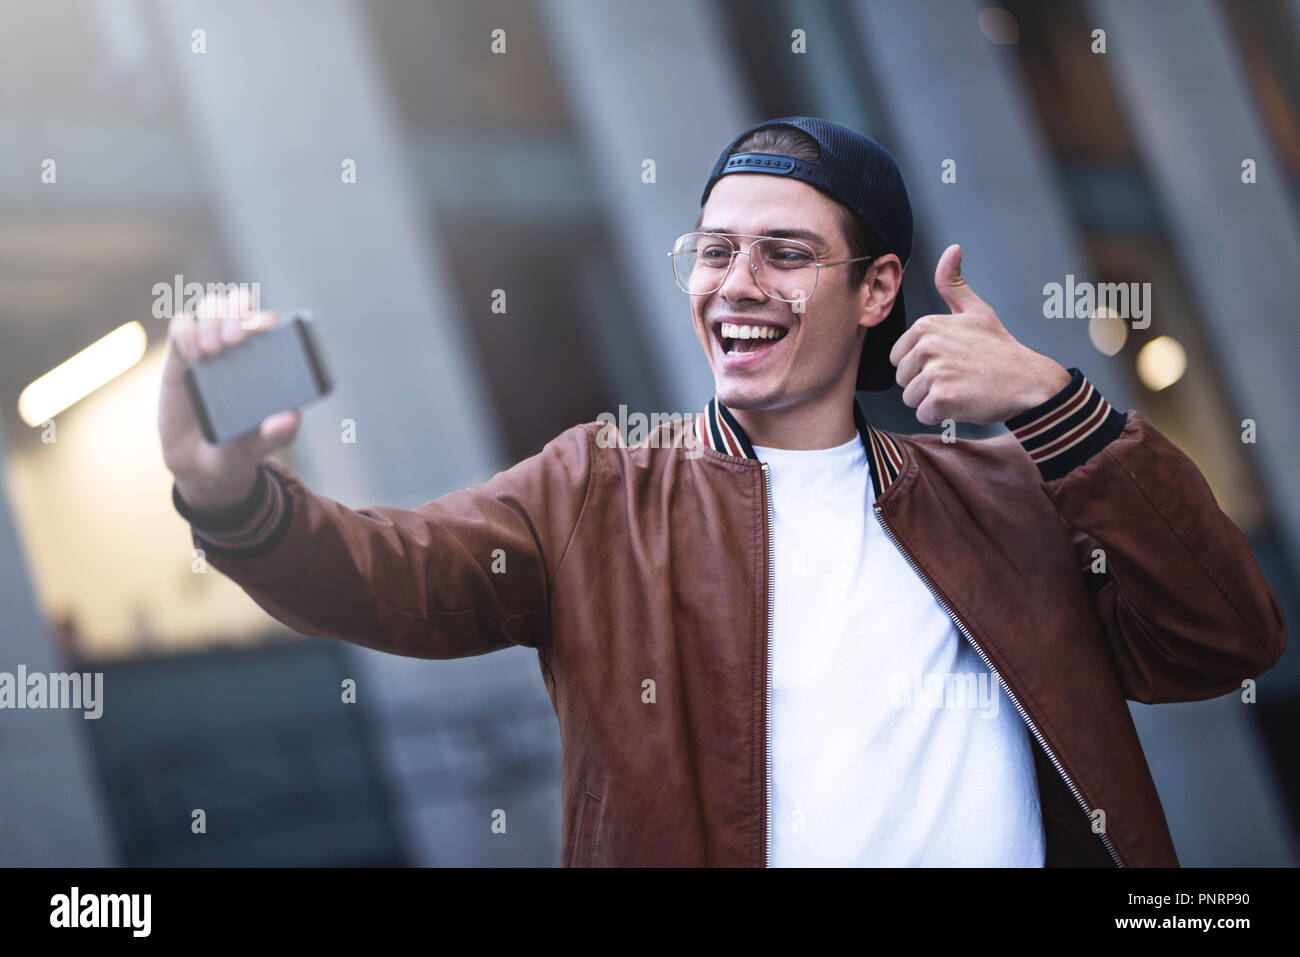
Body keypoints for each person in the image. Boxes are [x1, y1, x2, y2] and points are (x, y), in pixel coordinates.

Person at [159, 116, 1286, 867]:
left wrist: (1056, 405)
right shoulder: (599, 486)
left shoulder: (1005, 493)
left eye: (785, 254)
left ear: (878, 289)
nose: (734, 286)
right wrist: (226, 493)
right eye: (713, 250)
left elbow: (1222, 636)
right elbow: (381, 577)